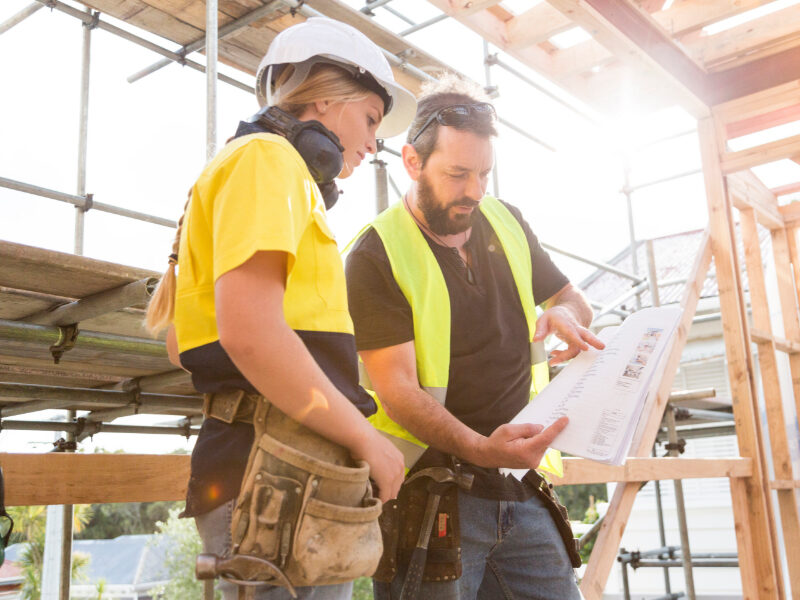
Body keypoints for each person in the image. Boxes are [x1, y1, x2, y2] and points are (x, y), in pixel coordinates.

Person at [145, 17, 416, 600]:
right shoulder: (269, 162)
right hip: (275, 472)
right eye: (369, 118)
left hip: (280, 466)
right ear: (324, 96)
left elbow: (185, 342)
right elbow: (252, 335)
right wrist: (367, 439)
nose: (374, 142)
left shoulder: (253, 168)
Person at [345, 76, 604, 599]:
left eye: (483, 173)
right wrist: (483, 449)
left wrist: (567, 316)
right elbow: (397, 392)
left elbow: (571, 298)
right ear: (412, 162)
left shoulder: (506, 222)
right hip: (430, 493)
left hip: (519, 486)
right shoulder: (375, 256)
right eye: (458, 173)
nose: (475, 190)